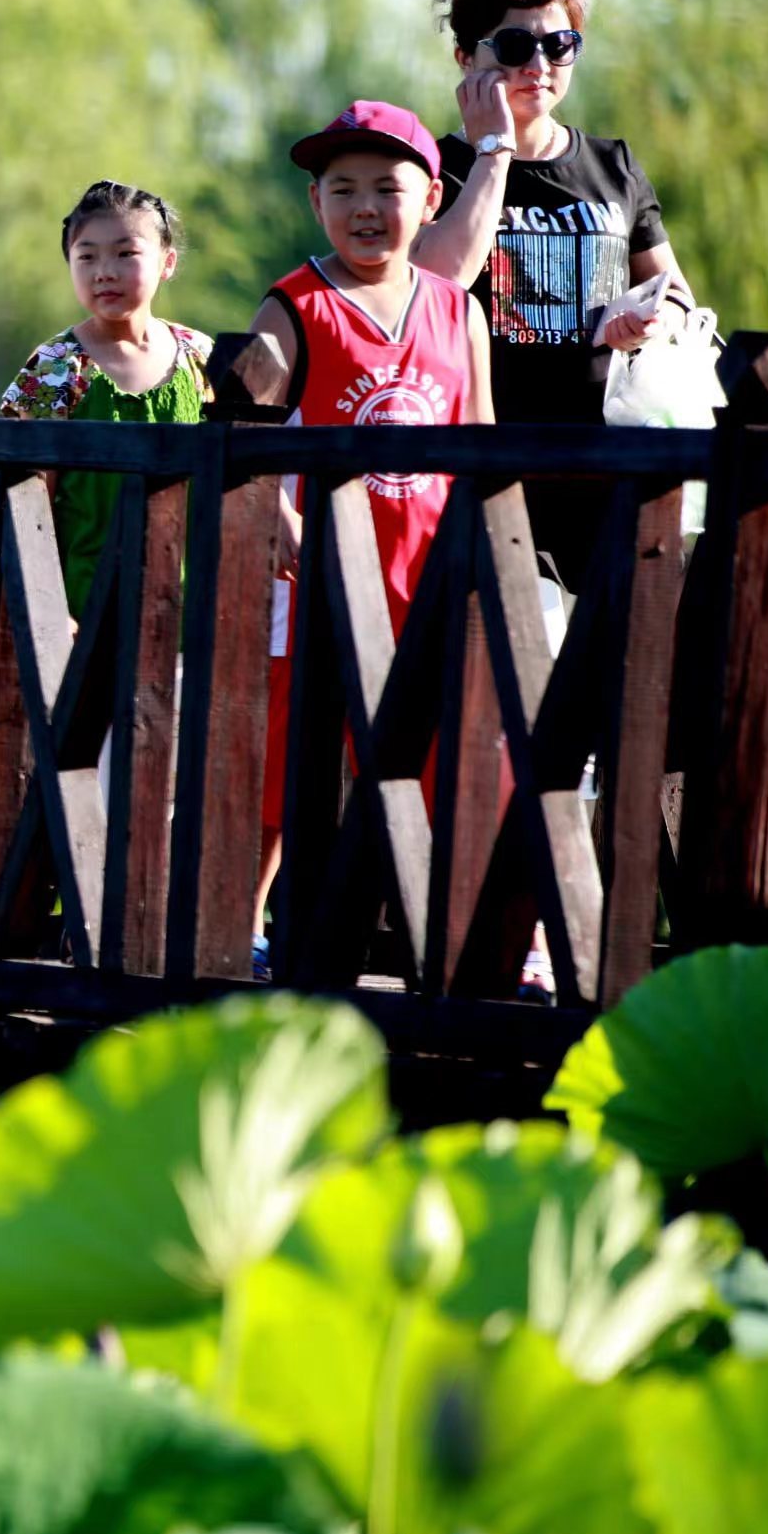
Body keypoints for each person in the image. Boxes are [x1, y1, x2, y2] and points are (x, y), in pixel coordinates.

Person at [247, 101, 494, 965]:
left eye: (387, 188)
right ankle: (245, 934)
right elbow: (243, 433)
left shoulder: (456, 311)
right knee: (283, 778)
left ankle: (456, 946)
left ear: (430, 198)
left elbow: (484, 443)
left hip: (428, 574)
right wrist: (278, 517)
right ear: (316, 203)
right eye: (342, 188)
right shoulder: (294, 305)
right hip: (313, 581)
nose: (364, 207)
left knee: (447, 766)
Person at [413, 0, 696, 585]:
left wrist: (647, 317)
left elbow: (677, 295)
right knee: (508, 669)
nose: (538, 66)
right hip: (490, 463)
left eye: (559, 45)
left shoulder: (612, 164)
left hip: (613, 460)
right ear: (466, 58)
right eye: (514, 45)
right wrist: (494, 149)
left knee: (637, 668)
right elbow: (436, 284)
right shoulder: (437, 168)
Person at [0, 181, 212, 617]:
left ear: (167, 262)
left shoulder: (200, 356)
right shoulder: (57, 367)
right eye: (87, 256)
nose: (104, 271)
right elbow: (27, 500)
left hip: (189, 605)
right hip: (81, 605)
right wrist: (50, 612)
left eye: (126, 254)